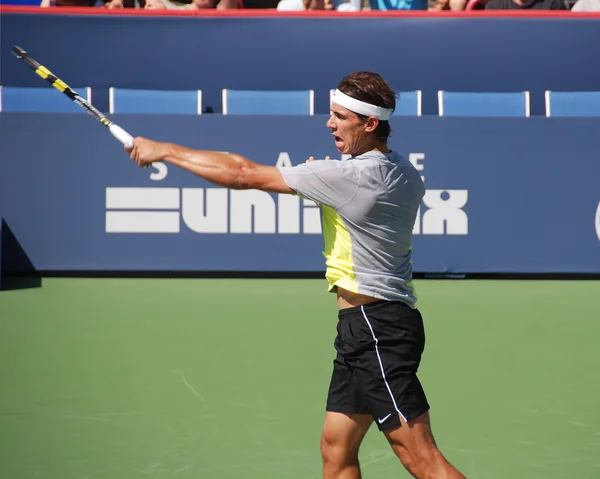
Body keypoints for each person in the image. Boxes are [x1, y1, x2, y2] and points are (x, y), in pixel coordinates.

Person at [126, 71, 466, 479]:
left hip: (377, 332)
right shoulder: (404, 172)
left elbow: (242, 174)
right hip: (369, 328)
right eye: (331, 115)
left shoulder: (348, 177)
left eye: (340, 117)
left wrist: (163, 150)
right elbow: (355, 202)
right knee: (336, 449)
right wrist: (323, 180)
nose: (329, 123)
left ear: (370, 123)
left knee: (422, 460)